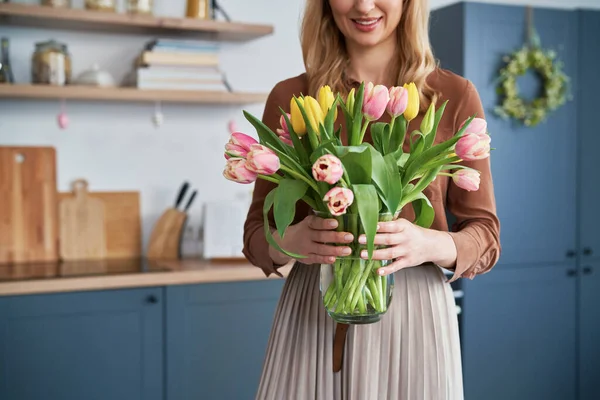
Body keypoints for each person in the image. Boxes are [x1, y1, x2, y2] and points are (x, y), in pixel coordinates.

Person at [242, 0, 501, 399]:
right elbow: (256, 234)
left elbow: (485, 236)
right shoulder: (293, 98)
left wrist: (427, 242)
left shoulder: (452, 95)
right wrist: (289, 242)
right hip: (314, 310)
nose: (364, 6)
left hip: (414, 315)